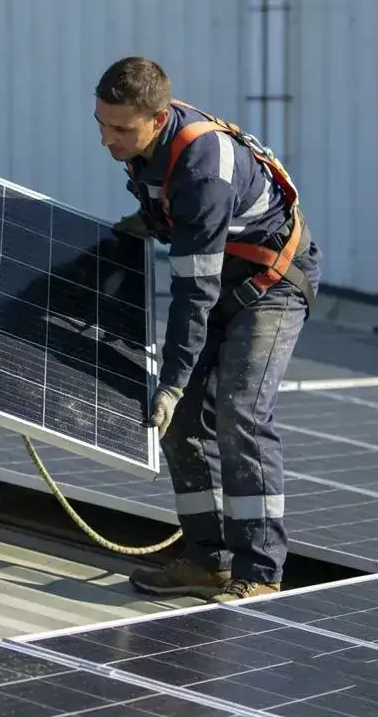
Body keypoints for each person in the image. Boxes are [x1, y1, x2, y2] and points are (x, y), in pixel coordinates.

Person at [93, 56, 321, 602]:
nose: (107, 139)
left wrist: (172, 380)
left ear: (158, 117)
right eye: (101, 123)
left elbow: (194, 292)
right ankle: (206, 559)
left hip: (272, 285)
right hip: (223, 274)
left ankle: (260, 571)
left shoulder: (203, 168)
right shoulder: (148, 143)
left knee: (241, 413)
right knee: (178, 422)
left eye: (121, 129)